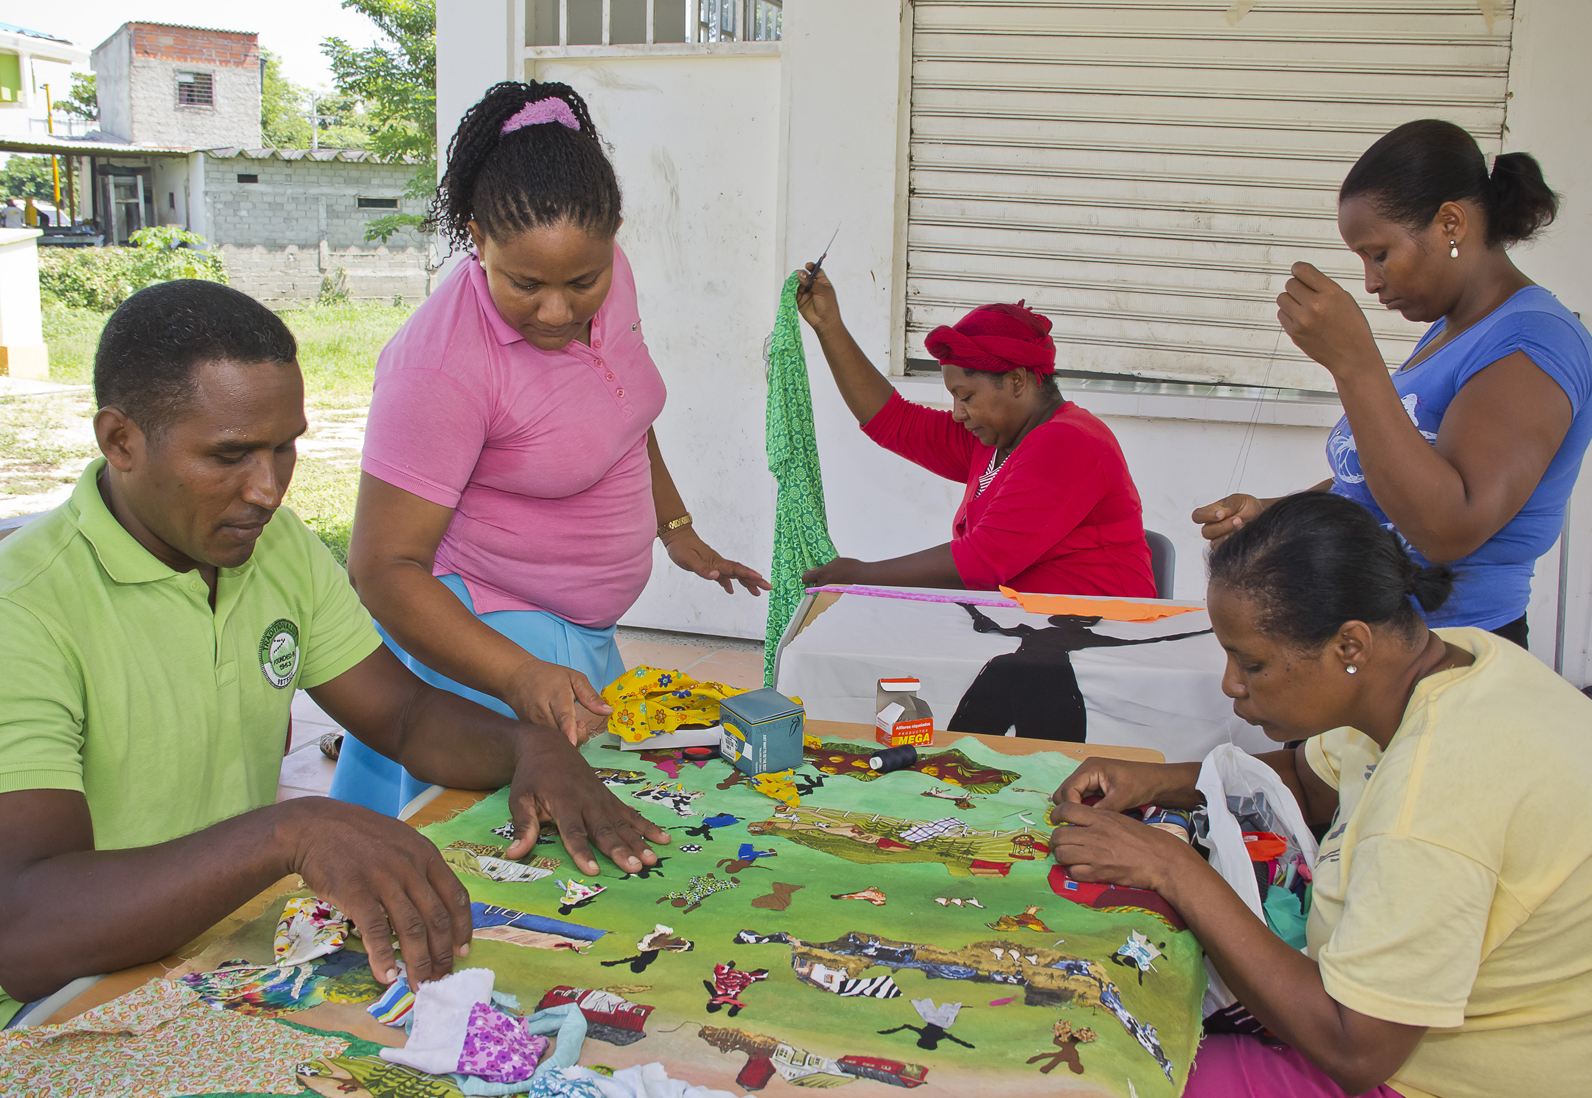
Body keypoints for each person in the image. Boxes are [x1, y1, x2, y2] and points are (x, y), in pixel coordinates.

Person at [0, 281, 668, 1028]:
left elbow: (404, 715)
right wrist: (289, 832)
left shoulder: (275, 550)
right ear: (120, 440)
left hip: (216, 962)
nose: (267, 490)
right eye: (230, 455)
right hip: (64, 1013)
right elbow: (27, 930)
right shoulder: (23, 611)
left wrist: (527, 746)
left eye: (285, 448)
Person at [1051, 491, 1591, 1098]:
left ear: (1350, 647)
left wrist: (1171, 868)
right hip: (1418, 1030)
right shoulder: (1455, 662)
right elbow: (1310, 783)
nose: (1231, 684)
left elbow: (1354, 1051)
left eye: (1251, 664)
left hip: (1438, 1074)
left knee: (1107, 1067)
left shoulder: (1428, 804)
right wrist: (1156, 779)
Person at [333, 82, 769, 816]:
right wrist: (514, 672)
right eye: (525, 284)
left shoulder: (611, 280)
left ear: (614, 238)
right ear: (476, 238)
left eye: (582, 280)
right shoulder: (439, 366)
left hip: (574, 637)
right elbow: (380, 568)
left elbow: (622, 407)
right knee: (513, 877)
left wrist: (675, 527)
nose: (559, 310)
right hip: (491, 638)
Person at [1194, 119, 1592, 646]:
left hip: (1448, 655)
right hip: (1374, 644)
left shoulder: (1532, 341)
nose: (1371, 282)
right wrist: (1277, 514)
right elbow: (1382, 486)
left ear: (1451, 223)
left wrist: (1355, 365)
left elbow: (1447, 526)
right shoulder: (1448, 331)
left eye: (1379, 254)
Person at [795, 269, 1155, 596]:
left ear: (1017, 380)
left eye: (966, 397)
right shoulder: (995, 439)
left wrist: (862, 575)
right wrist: (829, 327)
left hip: (1103, 639)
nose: (957, 413)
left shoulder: (1068, 442)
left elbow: (983, 561)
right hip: (1035, 633)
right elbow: (895, 423)